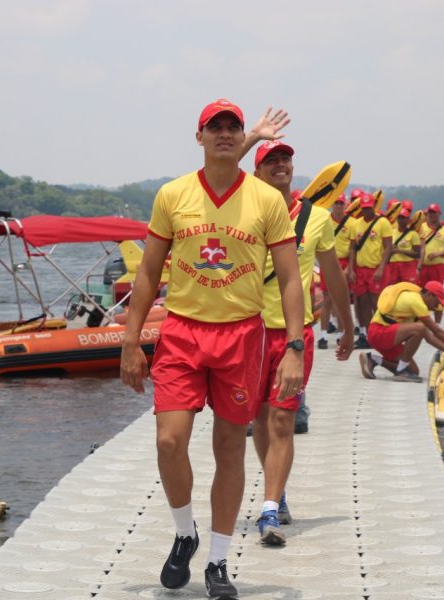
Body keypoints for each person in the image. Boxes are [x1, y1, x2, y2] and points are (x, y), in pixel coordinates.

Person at [120, 99, 304, 600]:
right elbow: (148, 272)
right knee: (169, 442)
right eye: (214, 126)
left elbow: (290, 279)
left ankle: (219, 562)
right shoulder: (173, 195)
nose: (225, 133)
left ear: (243, 137)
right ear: (198, 136)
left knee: (229, 447)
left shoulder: (265, 201)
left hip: (242, 335)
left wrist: (294, 347)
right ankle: (185, 533)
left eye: (233, 127)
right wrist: (130, 339)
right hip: (182, 332)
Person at [249, 139, 355, 546]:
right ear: (256, 171)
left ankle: (270, 508)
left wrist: (347, 326)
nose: (280, 165)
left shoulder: (317, 218)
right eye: (270, 160)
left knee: (282, 418)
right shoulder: (245, 213)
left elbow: (333, 276)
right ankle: (278, 489)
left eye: (286, 159)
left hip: (295, 335)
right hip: (249, 333)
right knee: (259, 418)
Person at [358, 280, 444, 382]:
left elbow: (430, 338)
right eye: (436, 303)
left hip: (388, 336)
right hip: (378, 332)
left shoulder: (420, 300)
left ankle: (373, 359)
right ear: (429, 295)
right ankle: (401, 371)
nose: (435, 307)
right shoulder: (415, 301)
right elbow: (437, 332)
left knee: (414, 371)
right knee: (420, 328)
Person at [347, 193, 393, 349]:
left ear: (374, 206)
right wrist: (351, 269)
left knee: (377, 302)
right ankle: (368, 334)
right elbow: (352, 248)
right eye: (364, 208)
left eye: (369, 208)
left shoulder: (383, 222)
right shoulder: (356, 224)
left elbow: (388, 247)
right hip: (360, 269)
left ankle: (383, 333)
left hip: (377, 269)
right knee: (363, 302)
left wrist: (381, 268)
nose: (366, 211)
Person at [317, 192, 356, 349]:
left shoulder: (351, 223)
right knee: (327, 300)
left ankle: (341, 334)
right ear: (332, 205)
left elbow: (353, 248)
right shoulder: (325, 220)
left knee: (342, 300)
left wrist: (350, 268)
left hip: (345, 261)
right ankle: (323, 336)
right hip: (329, 261)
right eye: (336, 203)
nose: (339, 206)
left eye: (341, 203)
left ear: (345, 205)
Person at [418, 203, 444, 322]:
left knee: (437, 294)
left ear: (439, 214)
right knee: (421, 293)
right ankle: (421, 320)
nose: (431, 215)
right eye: (430, 212)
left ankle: (437, 323)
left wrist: (438, 254)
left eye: (434, 212)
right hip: (423, 266)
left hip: (437, 267)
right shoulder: (422, 227)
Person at [387, 205, 422, 285]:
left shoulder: (413, 234)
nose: (401, 220)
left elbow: (418, 254)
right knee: (393, 289)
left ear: (408, 220)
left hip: (408, 265)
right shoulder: (391, 232)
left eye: (403, 218)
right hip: (393, 265)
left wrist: (400, 251)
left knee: (408, 288)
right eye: (399, 217)